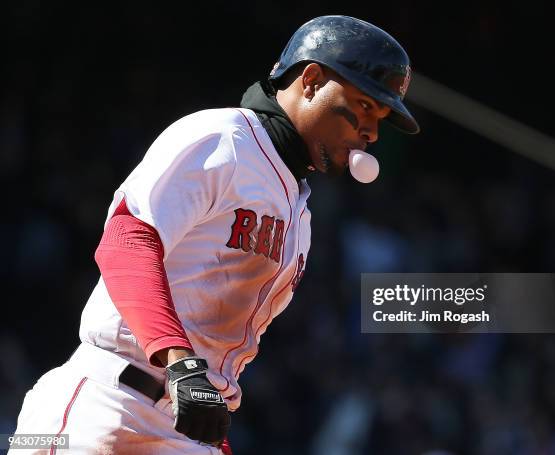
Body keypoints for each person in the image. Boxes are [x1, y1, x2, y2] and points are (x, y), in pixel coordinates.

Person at [10, 15, 419, 454]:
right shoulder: (223, 138)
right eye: (363, 107)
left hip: (186, 428)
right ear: (313, 80)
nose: (372, 132)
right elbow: (126, 241)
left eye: (379, 118)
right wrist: (179, 361)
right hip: (110, 404)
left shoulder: (299, 214)